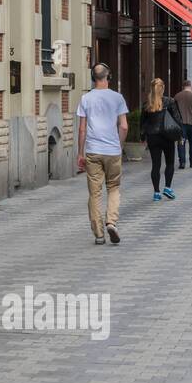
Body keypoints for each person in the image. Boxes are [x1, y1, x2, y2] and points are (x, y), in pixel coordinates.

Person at [76, 63, 129, 246]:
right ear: (109, 77)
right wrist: (119, 146)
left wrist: (79, 153)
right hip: (112, 150)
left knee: (95, 193)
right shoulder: (118, 98)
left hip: (92, 151)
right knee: (113, 187)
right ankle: (111, 222)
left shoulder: (85, 99)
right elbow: (123, 126)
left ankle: (98, 233)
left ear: (93, 78)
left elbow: (82, 129)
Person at [140, 77, 182, 202]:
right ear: (162, 88)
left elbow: (142, 122)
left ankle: (156, 192)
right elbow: (177, 119)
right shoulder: (170, 101)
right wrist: (180, 135)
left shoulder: (147, 104)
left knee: (155, 165)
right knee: (169, 163)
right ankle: (168, 187)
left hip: (153, 137)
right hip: (167, 137)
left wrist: (142, 136)